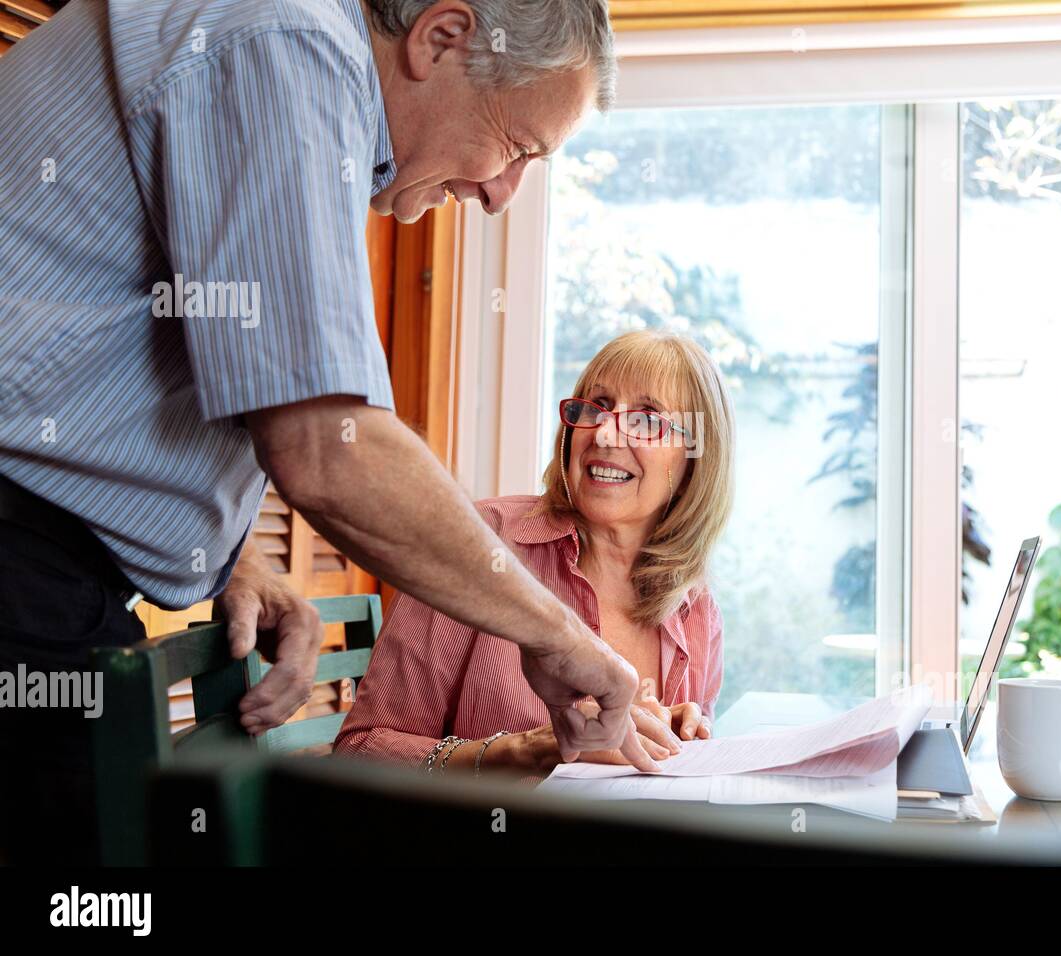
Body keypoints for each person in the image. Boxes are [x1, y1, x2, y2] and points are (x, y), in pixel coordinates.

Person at [0, 0, 650, 865]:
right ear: (443, 36)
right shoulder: (288, 40)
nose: (500, 194)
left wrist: (228, 553)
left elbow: (81, 356)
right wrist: (562, 636)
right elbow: (325, 447)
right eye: (518, 147)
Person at [336, 330, 736, 777]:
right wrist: (529, 751)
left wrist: (677, 744)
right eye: (595, 407)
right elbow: (361, 754)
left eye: (645, 419)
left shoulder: (696, 610)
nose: (603, 432)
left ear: (694, 461)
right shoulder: (478, 542)